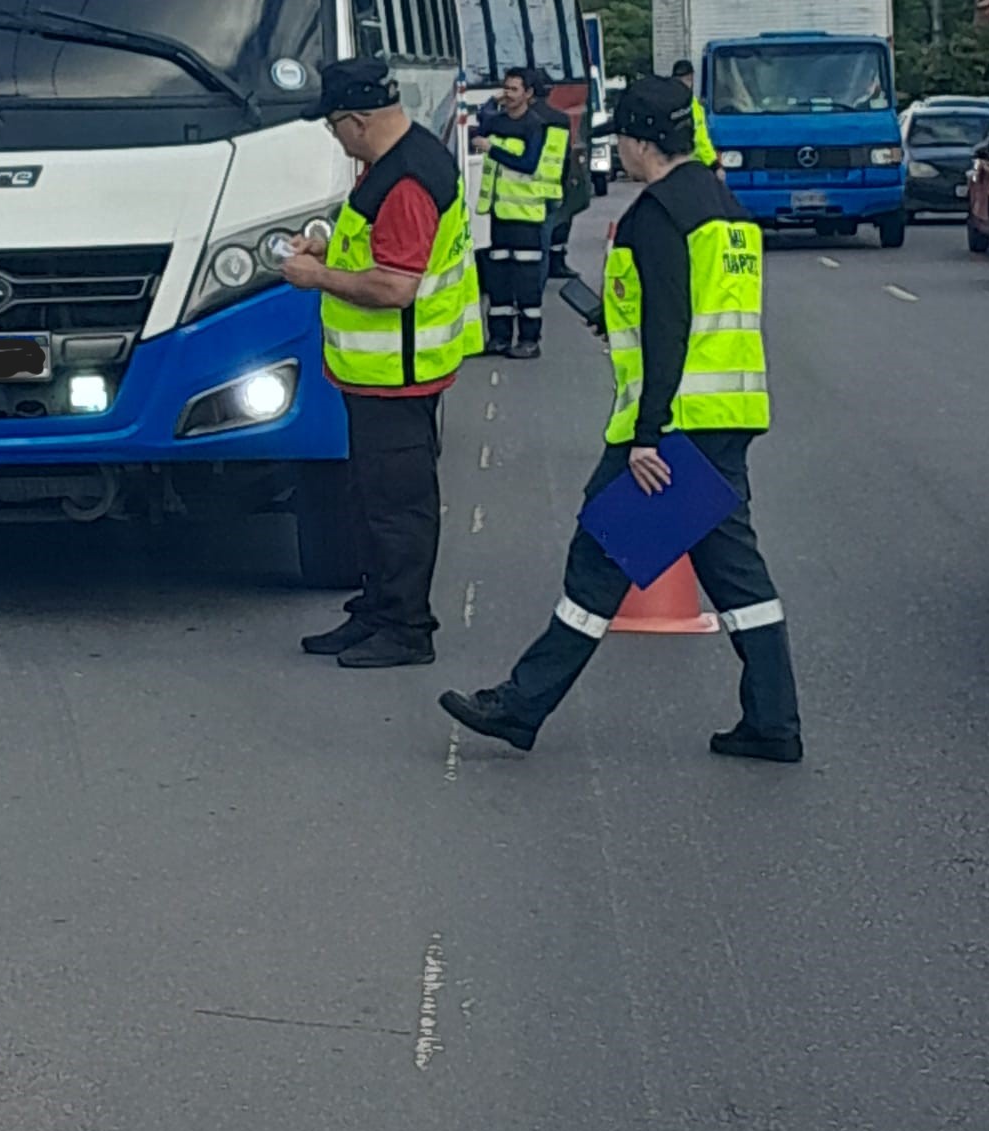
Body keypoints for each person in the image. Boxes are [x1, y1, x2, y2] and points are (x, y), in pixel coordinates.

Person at [439, 75, 803, 763]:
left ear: (639, 141)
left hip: (673, 426)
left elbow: (668, 330)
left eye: (623, 142)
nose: (622, 155)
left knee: (598, 560)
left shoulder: (657, 215)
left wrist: (645, 437)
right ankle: (773, 722)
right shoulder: (721, 204)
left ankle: (521, 706)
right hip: (729, 413)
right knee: (737, 579)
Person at [282, 59, 483, 670]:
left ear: (358, 119)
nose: (332, 136)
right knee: (370, 499)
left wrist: (317, 276)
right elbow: (375, 248)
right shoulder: (394, 164)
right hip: (380, 373)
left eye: (332, 125)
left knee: (399, 508)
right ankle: (376, 610)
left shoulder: (407, 182)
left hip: (400, 372)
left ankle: (406, 627)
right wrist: (328, 247)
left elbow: (396, 286)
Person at [471, 67, 564, 360]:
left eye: (514, 90)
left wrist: (492, 149)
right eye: (506, 89)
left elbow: (528, 163)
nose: (508, 95)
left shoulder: (534, 125)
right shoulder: (496, 121)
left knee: (525, 282)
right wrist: (490, 104)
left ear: (528, 94)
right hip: (499, 215)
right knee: (498, 280)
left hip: (527, 217)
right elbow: (480, 123)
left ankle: (528, 340)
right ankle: (498, 337)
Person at [530, 69, 576, 283]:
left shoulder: (516, 119)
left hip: (516, 192)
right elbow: (565, 159)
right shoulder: (560, 119)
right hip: (549, 191)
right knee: (542, 246)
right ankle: (535, 295)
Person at [673, 59, 719, 171]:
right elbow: (700, 139)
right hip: (692, 166)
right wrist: (714, 164)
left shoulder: (663, 102)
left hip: (670, 167)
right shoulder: (693, 106)